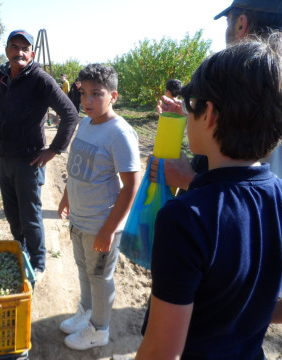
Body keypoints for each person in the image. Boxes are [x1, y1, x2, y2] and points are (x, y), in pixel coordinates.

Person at [136, 36, 282, 360]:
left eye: (191, 107)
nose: (188, 114)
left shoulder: (184, 218)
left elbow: (161, 351)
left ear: (210, 114)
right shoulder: (279, 196)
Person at [151, 0, 282, 189]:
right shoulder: (269, 83)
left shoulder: (238, 80)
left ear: (241, 24)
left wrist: (189, 179)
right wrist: (191, 112)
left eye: (229, 22)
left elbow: (239, 196)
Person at [58, 64, 140, 350]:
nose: (88, 101)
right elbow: (76, 166)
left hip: (101, 225)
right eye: (83, 94)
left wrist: (109, 229)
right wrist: (67, 197)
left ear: (113, 96)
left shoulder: (120, 133)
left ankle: (99, 330)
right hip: (79, 220)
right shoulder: (85, 123)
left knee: (100, 277)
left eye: (97, 94)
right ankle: (87, 312)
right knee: (83, 270)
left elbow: (131, 186)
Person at [0, 30, 79, 280]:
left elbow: (70, 114)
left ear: (32, 53)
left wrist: (53, 150)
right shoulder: (1, 77)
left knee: (30, 216)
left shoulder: (41, 79)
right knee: (11, 212)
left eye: (24, 48)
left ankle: (39, 263)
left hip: (28, 161)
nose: (19, 52)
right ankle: (19, 250)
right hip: (4, 157)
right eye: (14, 46)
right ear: (7, 49)